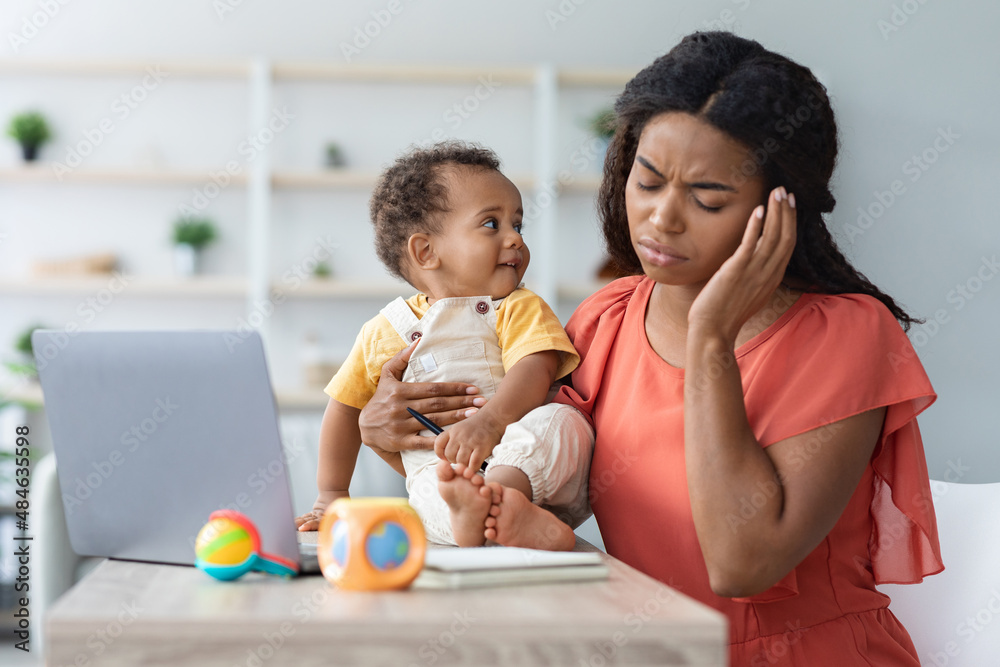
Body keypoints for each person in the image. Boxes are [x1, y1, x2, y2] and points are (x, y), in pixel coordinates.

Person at [356, 32, 943, 666]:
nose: (662, 219)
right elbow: (502, 491)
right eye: (649, 181)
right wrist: (389, 434)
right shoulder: (605, 322)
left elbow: (741, 564)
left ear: (780, 209)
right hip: (655, 651)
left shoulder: (846, 337)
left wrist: (712, 336)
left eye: (707, 198)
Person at [294, 141, 593, 550]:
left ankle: (504, 497)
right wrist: (331, 494)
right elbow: (344, 409)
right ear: (426, 251)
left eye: (518, 226)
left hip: (526, 462)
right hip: (447, 469)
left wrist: (490, 424)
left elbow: (535, 367)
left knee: (563, 423)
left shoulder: (518, 306)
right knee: (431, 491)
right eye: (492, 224)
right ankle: (486, 519)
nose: (515, 240)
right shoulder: (384, 331)